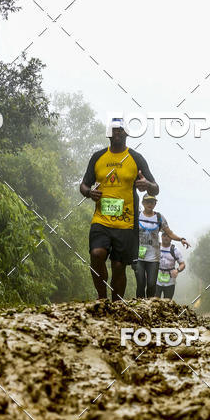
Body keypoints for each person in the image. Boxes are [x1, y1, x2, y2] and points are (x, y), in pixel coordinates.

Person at [79, 118, 159, 301]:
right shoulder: (98, 157)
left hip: (126, 223)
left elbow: (156, 188)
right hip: (101, 219)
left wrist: (146, 184)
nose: (118, 133)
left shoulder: (136, 158)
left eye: (121, 130)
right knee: (96, 254)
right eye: (114, 130)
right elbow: (83, 185)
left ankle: (116, 305)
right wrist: (89, 193)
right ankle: (101, 297)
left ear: (127, 133)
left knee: (118, 266)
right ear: (109, 133)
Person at [133, 195, 189, 298]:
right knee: (140, 284)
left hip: (154, 258)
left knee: (151, 284)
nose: (150, 204)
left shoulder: (159, 217)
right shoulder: (137, 216)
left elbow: (170, 233)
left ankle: (150, 305)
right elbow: (129, 232)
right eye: (147, 202)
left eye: (152, 202)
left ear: (155, 204)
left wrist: (181, 239)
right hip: (139, 256)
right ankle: (140, 307)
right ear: (143, 203)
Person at [155, 232, 186, 299]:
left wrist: (177, 270)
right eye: (164, 235)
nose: (166, 237)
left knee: (168, 302)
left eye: (168, 236)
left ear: (171, 238)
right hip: (156, 279)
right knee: (154, 302)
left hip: (170, 281)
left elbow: (182, 264)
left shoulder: (175, 250)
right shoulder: (156, 247)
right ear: (161, 236)